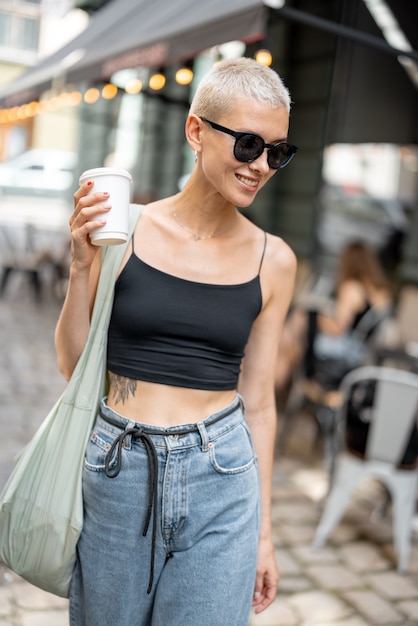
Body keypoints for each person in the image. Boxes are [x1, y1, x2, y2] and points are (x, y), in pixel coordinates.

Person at [55, 57, 297, 626]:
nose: (260, 165)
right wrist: (80, 268)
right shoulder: (124, 230)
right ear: (196, 131)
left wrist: (264, 532)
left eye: (277, 152)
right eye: (247, 144)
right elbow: (72, 366)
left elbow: (259, 403)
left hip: (223, 478)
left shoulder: (274, 260)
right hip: (119, 471)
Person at [275, 241, 393, 394]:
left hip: (342, 354)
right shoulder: (382, 293)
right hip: (360, 353)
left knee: (294, 333)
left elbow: (338, 328)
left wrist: (316, 317)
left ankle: (280, 388)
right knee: (293, 341)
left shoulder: (351, 288)